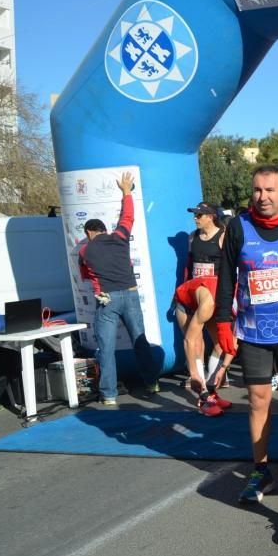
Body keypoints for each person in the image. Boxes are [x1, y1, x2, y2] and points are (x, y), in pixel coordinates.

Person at [214, 165, 278, 503]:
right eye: (257, 190)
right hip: (254, 331)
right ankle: (260, 471)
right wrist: (222, 323)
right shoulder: (238, 227)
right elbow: (226, 275)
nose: (263, 197)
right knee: (258, 400)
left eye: (270, 190)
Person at [79, 171, 159, 406]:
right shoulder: (121, 237)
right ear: (104, 230)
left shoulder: (85, 251)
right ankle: (152, 382)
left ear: (88, 233)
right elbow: (128, 217)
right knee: (140, 340)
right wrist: (126, 192)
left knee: (106, 348)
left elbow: (87, 277)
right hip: (131, 294)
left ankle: (109, 395)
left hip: (107, 299)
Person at [173, 276, 234, 416]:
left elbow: (233, 343)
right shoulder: (209, 304)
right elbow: (188, 341)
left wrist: (224, 368)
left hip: (213, 299)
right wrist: (193, 374)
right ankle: (204, 398)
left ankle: (212, 392)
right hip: (185, 304)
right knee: (196, 344)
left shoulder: (240, 302)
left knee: (221, 344)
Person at [185, 202, 225, 280]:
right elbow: (189, 264)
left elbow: (229, 266)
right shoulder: (192, 236)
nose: (195, 218)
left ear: (210, 217)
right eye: (195, 215)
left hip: (215, 289)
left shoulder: (223, 236)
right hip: (196, 288)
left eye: (199, 215)